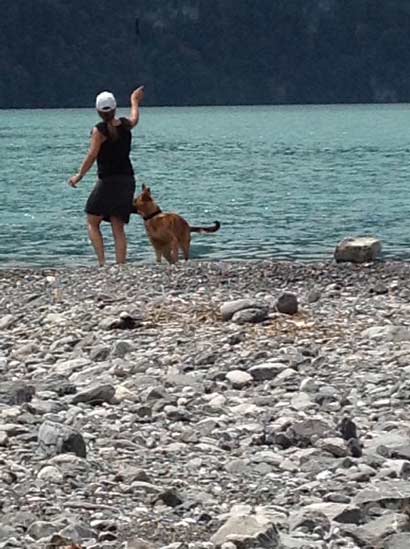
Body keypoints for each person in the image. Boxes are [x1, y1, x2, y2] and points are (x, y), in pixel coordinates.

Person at [69, 86, 144, 266]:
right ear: (115, 108)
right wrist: (134, 100)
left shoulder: (100, 130)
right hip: (127, 179)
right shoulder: (125, 125)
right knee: (118, 226)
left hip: (108, 180)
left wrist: (79, 175)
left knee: (92, 220)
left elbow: (92, 155)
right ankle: (120, 265)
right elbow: (134, 118)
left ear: (98, 111)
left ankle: (102, 262)